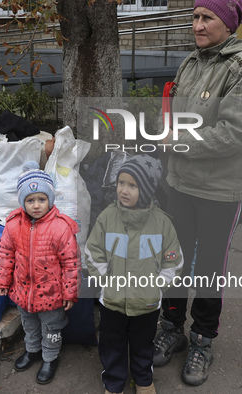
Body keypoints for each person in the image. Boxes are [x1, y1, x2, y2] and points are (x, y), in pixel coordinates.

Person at [152, 0, 242, 387]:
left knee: (208, 267)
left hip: (220, 190)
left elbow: (236, 133)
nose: (197, 26)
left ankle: (202, 340)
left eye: (207, 18)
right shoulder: (192, 62)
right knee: (174, 259)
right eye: (195, 17)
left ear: (228, 23)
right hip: (181, 183)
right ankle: (170, 326)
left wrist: (178, 142)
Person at [85, 154, 184, 394]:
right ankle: (114, 382)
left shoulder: (161, 223)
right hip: (112, 301)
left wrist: (158, 287)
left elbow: (174, 260)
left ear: (148, 189)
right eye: (121, 183)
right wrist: (105, 281)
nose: (124, 190)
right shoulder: (107, 217)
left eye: (132, 185)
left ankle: (143, 380)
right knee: (112, 345)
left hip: (146, 303)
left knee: (143, 345)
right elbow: (92, 251)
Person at [0, 162, 79, 385]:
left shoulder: (61, 227)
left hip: (52, 294)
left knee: (52, 327)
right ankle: (32, 351)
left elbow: (71, 263)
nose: (36, 205)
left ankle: (50, 357)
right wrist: (2, 280)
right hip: (24, 291)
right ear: (23, 202)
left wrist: (69, 293)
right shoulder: (13, 225)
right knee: (28, 323)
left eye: (42, 199)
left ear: (50, 199)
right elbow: (5, 254)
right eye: (30, 201)